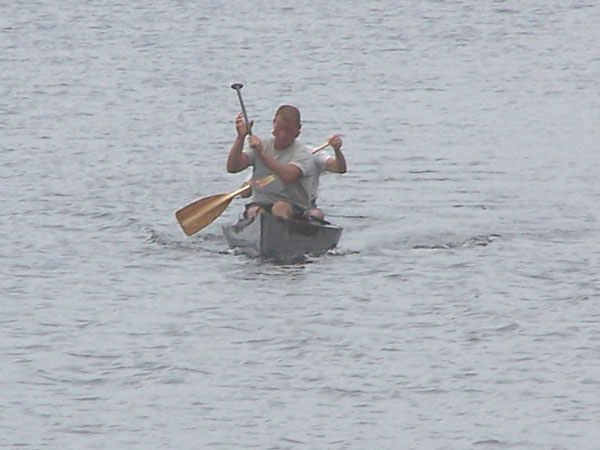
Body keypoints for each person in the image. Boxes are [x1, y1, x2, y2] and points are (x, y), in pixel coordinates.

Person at [226, 104, 311, 220]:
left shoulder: (303, 153)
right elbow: (233, 167)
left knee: (279, 208)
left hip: (294, 207)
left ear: (298, 130)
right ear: (274, 123)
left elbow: (289, 176)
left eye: (288, 130)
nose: (283, 135)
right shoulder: (262, 145)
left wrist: (262, 153)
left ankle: (280, 228)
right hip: (261, 203)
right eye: (280, 128)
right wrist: (240, 138)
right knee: (255, 211)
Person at [306, 134, 347, 220]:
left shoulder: (311, 153)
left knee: (316, 214)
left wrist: (337, 150)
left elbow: (340, 168)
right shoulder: (274, 154)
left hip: (306, 204)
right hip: (278, 201)